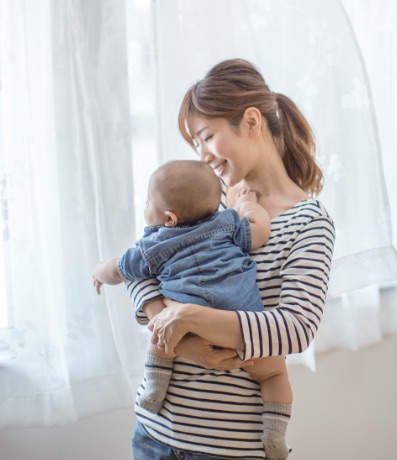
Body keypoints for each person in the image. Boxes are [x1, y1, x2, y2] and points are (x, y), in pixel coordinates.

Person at [126, 58, 335, 460]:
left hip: (226, 448)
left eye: (207, 136)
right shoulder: (206, 198)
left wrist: (190, 318)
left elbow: (295, 329)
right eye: (195, 145)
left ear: (252, 123)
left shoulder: (309, 222)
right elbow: (140, 264)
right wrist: (184, 343)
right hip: (154, 433)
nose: (202, 154)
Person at [93, 160, 294, 454]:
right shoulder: (228, 223)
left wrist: (99, 271)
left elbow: (119, 270)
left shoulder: (153, 247)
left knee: (160, 339)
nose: (145, 206)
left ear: (170, 218)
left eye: (148, 201)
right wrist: (249, 205)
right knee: (274, 373)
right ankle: (275, 433)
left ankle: (154, 388)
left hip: (186, 328)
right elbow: (260, 230)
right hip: (239, 328)